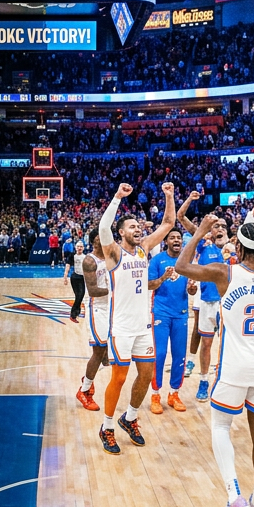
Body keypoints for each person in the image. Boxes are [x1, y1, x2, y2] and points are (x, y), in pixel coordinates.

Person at [176, 213, 254, 507]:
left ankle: (235, 497)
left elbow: (182, 267)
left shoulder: (225, 272)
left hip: (234, 367)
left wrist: (198, 233)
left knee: (221, 426)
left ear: (237, 246)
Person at [95, 181, 175, 455]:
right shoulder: (114, 252)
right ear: (121, 233)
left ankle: (129, 418)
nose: (138, 229)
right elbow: (103, 228)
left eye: (139, 226)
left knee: (146, 374)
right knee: (118, 378)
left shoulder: (144, 249)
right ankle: (106, 427)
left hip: (143, 326)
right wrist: (117, 197)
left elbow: (168, 222)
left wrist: (169, 195)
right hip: (121, 328)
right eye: (132, 226)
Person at [148, 228, 195, 414]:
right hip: (160, 313)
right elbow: (149, 285)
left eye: (179, 238)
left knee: (179, 356)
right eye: (173, 238)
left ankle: (174, 394)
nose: (176, 240)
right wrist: (163, 278)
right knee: (159, 355)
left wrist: (192, 288)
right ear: (166, 241)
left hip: (181, 314)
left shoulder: (186, 261)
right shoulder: (157, 260)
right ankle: (155, 394)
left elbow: (191, 291)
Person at [188, 211, 231, 402]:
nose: (220, 228)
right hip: (207, 301)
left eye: (223, 226)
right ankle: (204, 380)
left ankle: (225, 379)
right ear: (209, 232)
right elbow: (189, 228)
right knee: (206, 343)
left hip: (228, 302)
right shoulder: (204, 246)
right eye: (216, 226)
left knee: (229, 344)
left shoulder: (235, 248)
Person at [75, 229, 110, 411]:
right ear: (93, 242)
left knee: (108, 355)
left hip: (113, 306)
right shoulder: (90, 260)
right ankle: (85, 390)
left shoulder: (113, 255)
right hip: (98, 307)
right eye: (99, 239)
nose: (103, 241)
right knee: (99, 351)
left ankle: (89, 379)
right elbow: (93, 290)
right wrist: (116, 290)